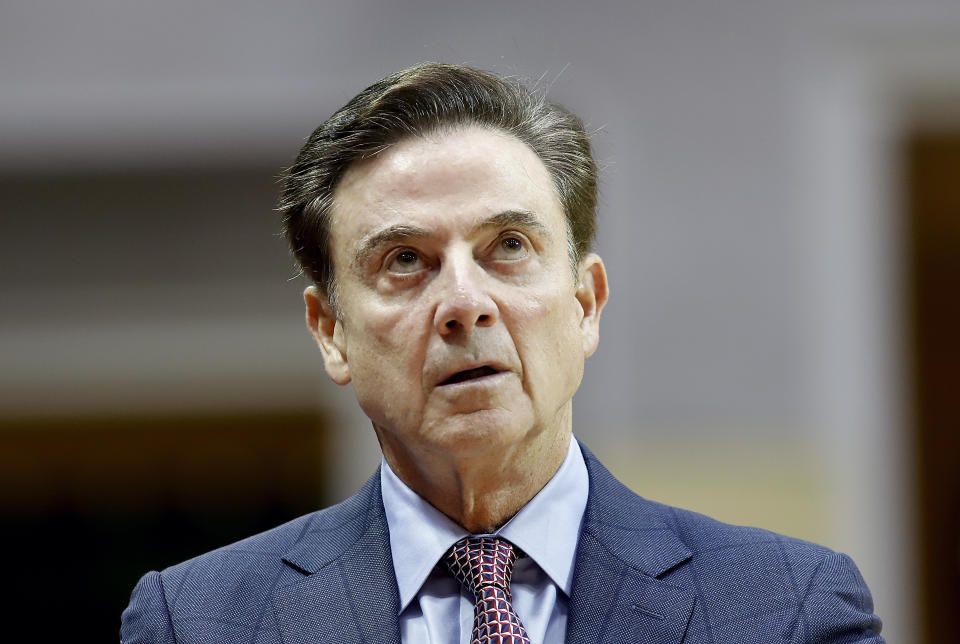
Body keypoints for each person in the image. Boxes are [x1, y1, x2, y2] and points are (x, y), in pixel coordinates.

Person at [121, 63, 884, 643]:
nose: (463, 302)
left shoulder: (787, 608)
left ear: (584, 303)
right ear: (331, 331)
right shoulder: (199, 622)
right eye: (404, 261)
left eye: (508, 246)